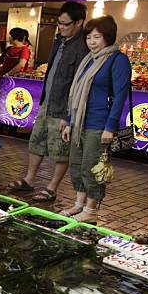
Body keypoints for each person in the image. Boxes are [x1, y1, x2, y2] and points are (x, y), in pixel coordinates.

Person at [8, 1, 89, 202]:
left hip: (64, 106)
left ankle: (52, 187)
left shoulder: (83, 46)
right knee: (36, 140)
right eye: (59, 23)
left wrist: (70, 114)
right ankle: (29, 179)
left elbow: (80, 83)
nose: (60, 27)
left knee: (60, 149)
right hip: (48, 101)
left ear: (79, 22)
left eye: (65, 24)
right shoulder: (59, 41)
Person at [60, 16, 131, 223]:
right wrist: (71, 121)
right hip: (80, 122)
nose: (91, 41)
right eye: (89, 37)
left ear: (107, 37)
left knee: (92, 166)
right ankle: (79, 204)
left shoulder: (118, 60)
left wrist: (110, 126)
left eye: (97, 37)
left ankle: (91, 211)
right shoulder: (88, 60)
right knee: (76, 164)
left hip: (99, 124)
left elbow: (120, 96)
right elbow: (76, 96)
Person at [0, 28, 32, 103]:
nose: (8, 38)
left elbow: (21, 65)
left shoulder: (24, 50)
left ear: (15, 38)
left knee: (8, 102)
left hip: (14, 81)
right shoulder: (9, 49)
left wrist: (7, 75)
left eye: (10, 36)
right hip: (3, 78)